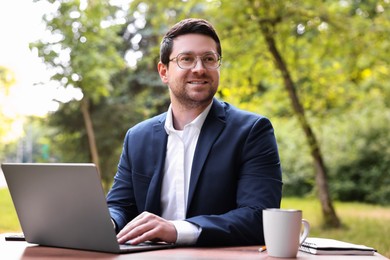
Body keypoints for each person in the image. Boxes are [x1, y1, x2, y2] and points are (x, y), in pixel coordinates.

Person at [106, 18, 282, 247]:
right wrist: (108, 222)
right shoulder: (137, 137)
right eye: (186, 59)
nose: (199, 69)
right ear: (164, 71)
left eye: (209, 59)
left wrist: (176, 230)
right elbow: (121, 205)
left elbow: (260, 216)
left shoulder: (252, 131)